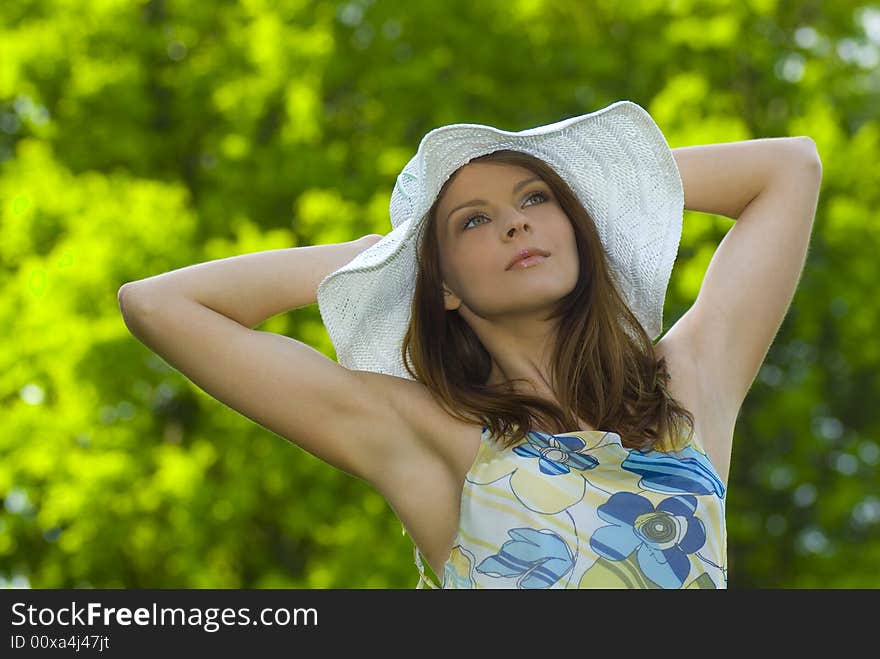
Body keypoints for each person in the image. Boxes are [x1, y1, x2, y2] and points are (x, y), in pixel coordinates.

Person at [118, 100, 822, 589]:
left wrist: (595, 187)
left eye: (537, 199)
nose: (516, 223)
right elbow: (157, 304)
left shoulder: (686, 387)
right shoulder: (434, 435)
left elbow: (791, 167)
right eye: (473, 221)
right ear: (444, 283)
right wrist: (379, 254)